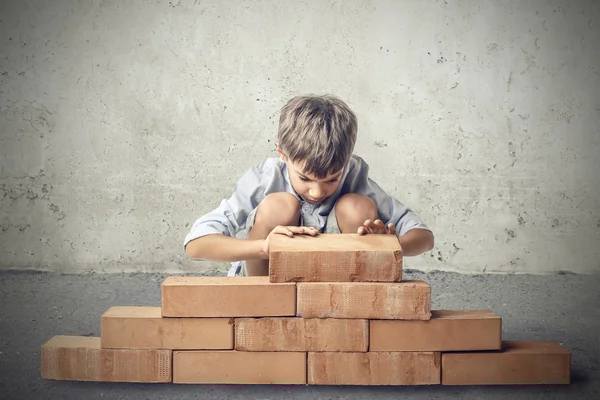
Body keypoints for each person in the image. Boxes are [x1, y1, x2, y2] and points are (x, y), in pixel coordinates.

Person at [183, 94, 434, 276]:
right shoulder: (266, 176)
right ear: (282, 153)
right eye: (304, 178)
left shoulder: (355, 175)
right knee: (279, 206)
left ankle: (359, 303)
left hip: (337, 287)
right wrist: (264, 248)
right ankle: (261, 302)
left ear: (347, 161)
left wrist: (388, 244)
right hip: (265, 285)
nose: (317, 192)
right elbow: (196, 245)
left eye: (332, 179)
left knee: (356, 207)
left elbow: (424, 237)